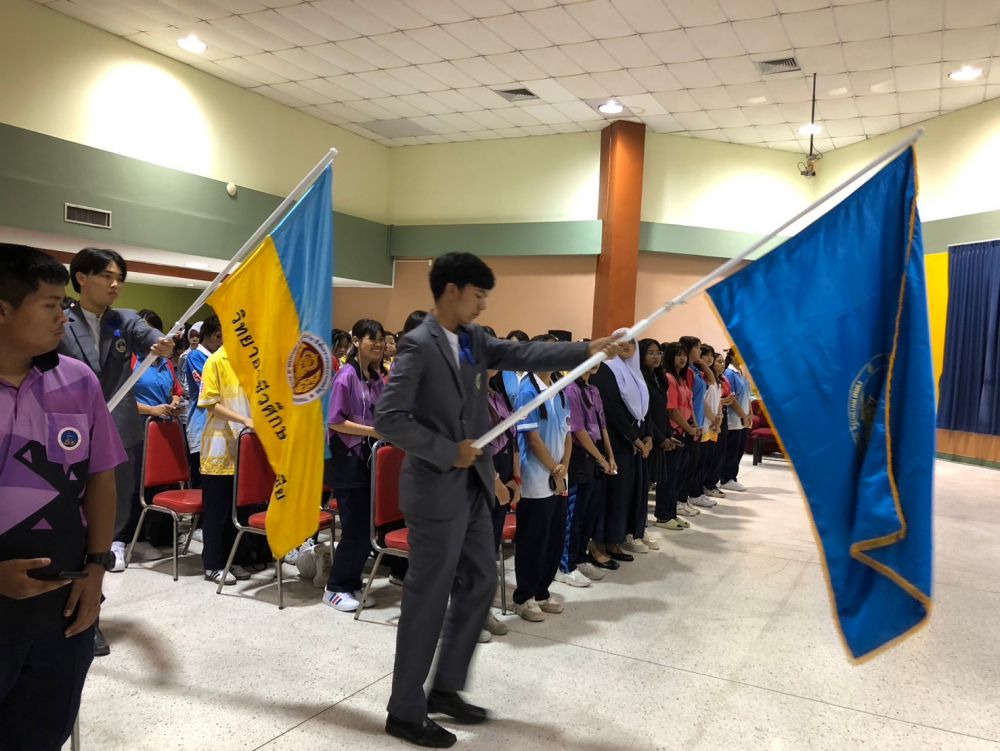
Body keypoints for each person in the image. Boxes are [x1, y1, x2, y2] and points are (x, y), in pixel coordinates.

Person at [374, 252, 619, 748]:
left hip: (473, 488)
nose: (483, 304)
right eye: (478, 294)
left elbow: (523, 354)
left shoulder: (473, 340)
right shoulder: (418, 346)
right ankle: (404, 710)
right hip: (435, 491)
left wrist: (590, 348)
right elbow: (389, 419)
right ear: (451, 290)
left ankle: (445, 688)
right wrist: (449, 451)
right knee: (428, 598)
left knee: (483, 581)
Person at [0, 244, 126, 750]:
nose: (62, 316)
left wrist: (96, 570)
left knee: (41, 733)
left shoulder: (78, 381)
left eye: (64, 304)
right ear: (3, 310)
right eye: (51, 304)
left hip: (64, 607)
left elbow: (100, 478)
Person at [57, 247, 173, 656]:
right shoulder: (61, 320)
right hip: (69, 437)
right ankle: (72, 609)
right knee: (71, 523)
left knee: (109, 521)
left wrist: (162, 344)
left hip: (117, 434)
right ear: (82, 278)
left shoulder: (125, 321)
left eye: (120, 278)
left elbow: (152, 338)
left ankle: (92, 608)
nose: (115, 284)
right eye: (107, 276)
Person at [322, 319, 404, 612]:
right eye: (372, 339)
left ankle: (352, 583)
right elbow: (335, 421)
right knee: (355, 528)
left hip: (371, 460)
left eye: (381, 339)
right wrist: (373, 431)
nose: (379, 344)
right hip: (348, 460)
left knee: (367, 529)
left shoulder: (376, 376)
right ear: (356, 342)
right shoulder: (346, 376)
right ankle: (335, 588)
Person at [110, 309, 183, 571]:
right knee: (130, 486)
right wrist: (152, 409)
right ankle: (117, 541)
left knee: (153, 487)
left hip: (162, 430)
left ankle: (140, 537)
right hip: (135, 428)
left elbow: (175, 390)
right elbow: (118, 397)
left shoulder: (165, 363)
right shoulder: (128, 360)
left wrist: (174, 402)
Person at [512, 339, 573, 619]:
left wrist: (564, 467)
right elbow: (532, 439)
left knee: (554, 537)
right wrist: (554, 468)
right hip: (536, 478)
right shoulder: (527, 391)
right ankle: (524, 597)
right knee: (533, 539)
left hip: (558, 475)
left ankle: (542, 591)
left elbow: (568, 433)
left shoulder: (559, 388)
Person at [197, 331, 257, 585]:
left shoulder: (250, 362)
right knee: (217, 511)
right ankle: (213, 564)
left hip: (245, 448)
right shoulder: (216, 361)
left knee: (239, 510)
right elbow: (209, 402)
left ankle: (234, 559)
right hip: (220, 447)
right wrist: (244, 419)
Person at [590, 338, 652, 562]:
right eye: (621, 342)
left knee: (626, 496)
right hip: (616, 444)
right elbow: (611, 409)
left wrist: (648, 436)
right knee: (612, 496)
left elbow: (645, 407)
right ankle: (599, 545)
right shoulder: (606, 369)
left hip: (634, 445)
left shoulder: (636, 373)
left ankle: (615, 541)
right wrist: (635, 439)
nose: (626, 346)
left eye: (631, 343)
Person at [558, 362, 614, 586]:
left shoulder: (594, 389)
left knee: (590, 512)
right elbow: (579, 431)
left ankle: (580, 556)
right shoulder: (570, 389)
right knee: (574, 515)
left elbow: (603, 425)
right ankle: (566, 565)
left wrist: (609, 455)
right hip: (580, 457)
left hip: (596, 455)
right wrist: (600, 458)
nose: (594, 364)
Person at [639, 339, 684, 533]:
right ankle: (637, 528)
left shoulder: (658, 377)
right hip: (646, 439)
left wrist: (668, 435)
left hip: (659, 438)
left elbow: (662, 412)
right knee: (642, 487)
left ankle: (640, 527)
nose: (656, 356)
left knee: (650, 483)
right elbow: (645, 415)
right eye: (650, 353)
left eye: (658, 352)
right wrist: (660, 438)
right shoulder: (640, 378)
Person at [184, 316, 224, 492]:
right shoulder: (195, 356)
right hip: (201, 423)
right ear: (205, 334)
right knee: (202, 483)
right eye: (218, 336)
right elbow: (210, 388)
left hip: (219, 426)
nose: (221, 341)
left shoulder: (219, 357)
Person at [720, 348, 753, 492]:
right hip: (734, 418)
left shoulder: (741, 372)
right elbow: (732, 399)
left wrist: (750, 413)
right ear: (732, 356)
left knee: (739, 450)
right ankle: (726, 478)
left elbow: (747, 395)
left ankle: (732, 477)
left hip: (743, 417)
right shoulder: (729, 373)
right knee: (731, 451)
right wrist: (743, 415)